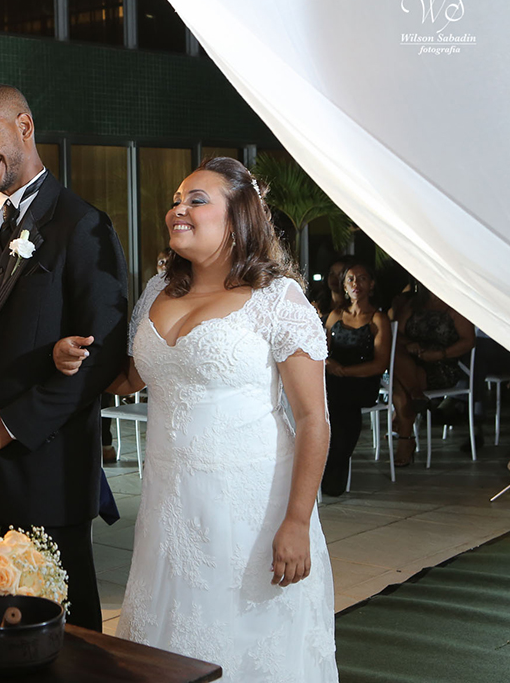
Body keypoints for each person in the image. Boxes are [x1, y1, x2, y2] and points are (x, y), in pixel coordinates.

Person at [54, 156, 336, 679]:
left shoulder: (277, 299)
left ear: (239, 216)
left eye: (196, 200)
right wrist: (70, 357)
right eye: (176, 201)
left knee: (244, 642)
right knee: (166, 636)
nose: (177, 210)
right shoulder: (158, 289)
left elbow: (313, 419)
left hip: (251, 507)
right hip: (170, 505)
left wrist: (297, 521)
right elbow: (131, 378)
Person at [0, 84, 128, 632]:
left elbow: (103, 355)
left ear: (24, 127)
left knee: (67, 631)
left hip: (48, 470)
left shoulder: (82, 224)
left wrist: (12, 423)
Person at [322, 260, 391, 496]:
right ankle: (328, 467)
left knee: (339, 400)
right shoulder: (335, 316)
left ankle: (334, 468)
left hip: (363, 380)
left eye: (362, 278)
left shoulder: (378, 319)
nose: (355, 283)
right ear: (344, 286)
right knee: (328, 396)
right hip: (335, 379)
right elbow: (322, 352)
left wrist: (344, 371)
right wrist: (330, 364)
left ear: (371, 284)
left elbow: (380, 364)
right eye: (350, 279)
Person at [390, 280, 475, 466]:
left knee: (400, 387)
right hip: (409, 360)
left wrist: (440, 354)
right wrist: (410, 344)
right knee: (398, 357)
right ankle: (416, 395)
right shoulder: (413, 304)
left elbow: (468, 341)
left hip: (442, 364)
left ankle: (405, 438)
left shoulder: (456, 306)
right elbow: (396, 333)